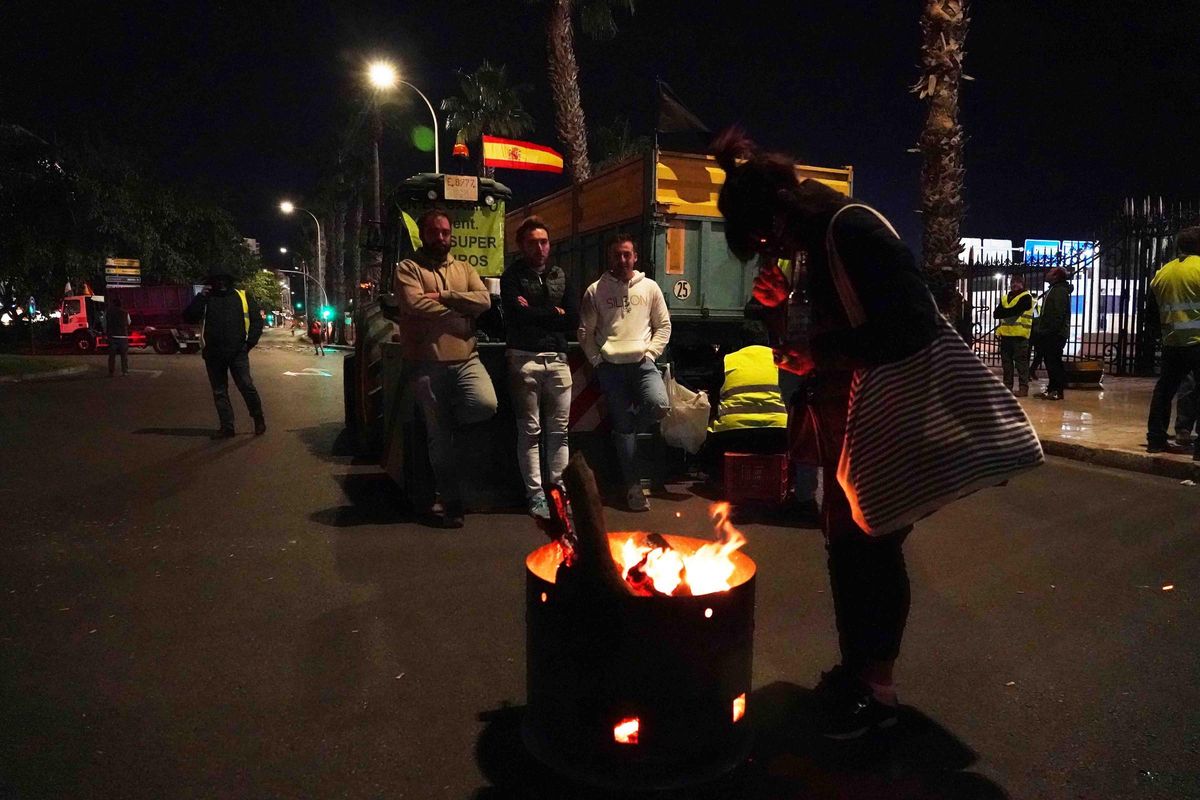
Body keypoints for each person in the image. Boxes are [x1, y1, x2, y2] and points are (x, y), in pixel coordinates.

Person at [712, 128, 941, 740]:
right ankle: (856, 672)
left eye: (765, 235)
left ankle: (880, 690)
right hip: (841, 420)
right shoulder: (813, 250)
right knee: (845, 551)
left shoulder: (852, 228)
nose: (769, 247)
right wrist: (785, 314)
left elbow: (915, 324)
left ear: (782, 209)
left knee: (875, 550)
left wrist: (822, 349)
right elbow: (818, 336)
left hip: (882, 416)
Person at [394, 208, 498, 527]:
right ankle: (451, 502)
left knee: (485, 404)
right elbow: (414, 304)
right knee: (438, 440)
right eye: (435, 232)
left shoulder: (464, 267)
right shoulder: (408, 268)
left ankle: (450, 421)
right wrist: (459, 312)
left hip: (467, 358)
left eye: (446, 232)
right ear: (423, 235)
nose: (441, 237)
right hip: (427, 364)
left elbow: (484, 301)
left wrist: (444, 296)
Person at [578, 234, 672, 512]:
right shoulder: (596, 290)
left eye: (627, 255)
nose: (622, 260)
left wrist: (652, 354)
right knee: (622, 429)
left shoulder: (650, 288)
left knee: (659, 404)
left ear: (635, 257)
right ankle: (633, 489)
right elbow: (585, 332)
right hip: (611, 369)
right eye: (617, 255)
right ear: (610, 258)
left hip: (643, 364)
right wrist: (597, 361)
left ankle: (630, 428)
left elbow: (663, 325)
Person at [501, 216, 579, 520]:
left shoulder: (562, 275)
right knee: (530, 431)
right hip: (524, 359)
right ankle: (535, 496)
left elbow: (572, 320)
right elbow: (515, 317)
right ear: (522, 245)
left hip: (558, 360)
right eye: (533, 242)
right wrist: (552, 312)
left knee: (559, 432)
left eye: (544, 241)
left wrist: (534, 311)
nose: (539, 247)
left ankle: (559, 494)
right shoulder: (511, 277)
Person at [183, 273, 266, 438]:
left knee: (246, 387)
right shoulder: (207, 298)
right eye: (217, 280)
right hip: (213, 354)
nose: (220, 283)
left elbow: (257, 321)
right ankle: (227, 427)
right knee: (219, 392)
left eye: (224, 280)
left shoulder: (242, 296)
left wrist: (249, 343)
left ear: (230, 281)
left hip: (238, 353)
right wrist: (201, 297)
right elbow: (189, 317)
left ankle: (258, 418)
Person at [1146, 226, 1200, 458]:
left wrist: (1160, 335)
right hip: (1198, 342)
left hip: (1171, 342)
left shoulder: (1163, 273)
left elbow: (1151, 312)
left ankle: (1156, 439)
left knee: (1164, 391)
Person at [993, 274, 1034, 396]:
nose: (1015, 285)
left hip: (1020, 336)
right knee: (1007, 364)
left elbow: (1016, 310)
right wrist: (1007, 312)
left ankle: (1023, 388)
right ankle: (1007, 387)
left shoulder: (1026, 297)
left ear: (1023, 284)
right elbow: (996, 314)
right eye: (1013, 282)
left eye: (1018, 282)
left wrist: (1004, 312)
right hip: (1005, 336)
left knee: (1021, 364)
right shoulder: (1006, 297)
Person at [104, 292, 131, 377]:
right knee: (124, 356)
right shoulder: (125, 312)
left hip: (112, 336)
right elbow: (129, 322)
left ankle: (111, 372)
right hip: (123, 337)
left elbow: (104, 323)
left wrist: (106, 332)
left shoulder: (108, 312)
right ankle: (125, 371)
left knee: (112, 356)